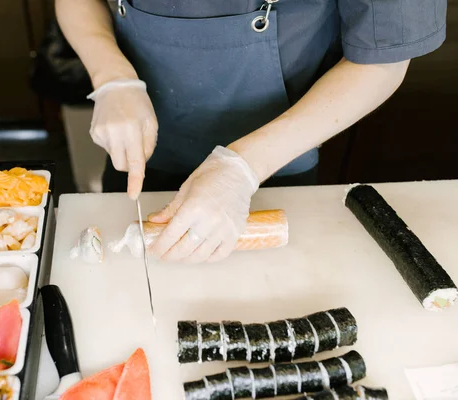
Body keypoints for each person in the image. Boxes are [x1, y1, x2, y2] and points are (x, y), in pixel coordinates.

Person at [55, 0, 447, 263]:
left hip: (278, 163)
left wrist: (243, 168)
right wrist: (111, 77)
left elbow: (384, 60)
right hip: (136, 151)